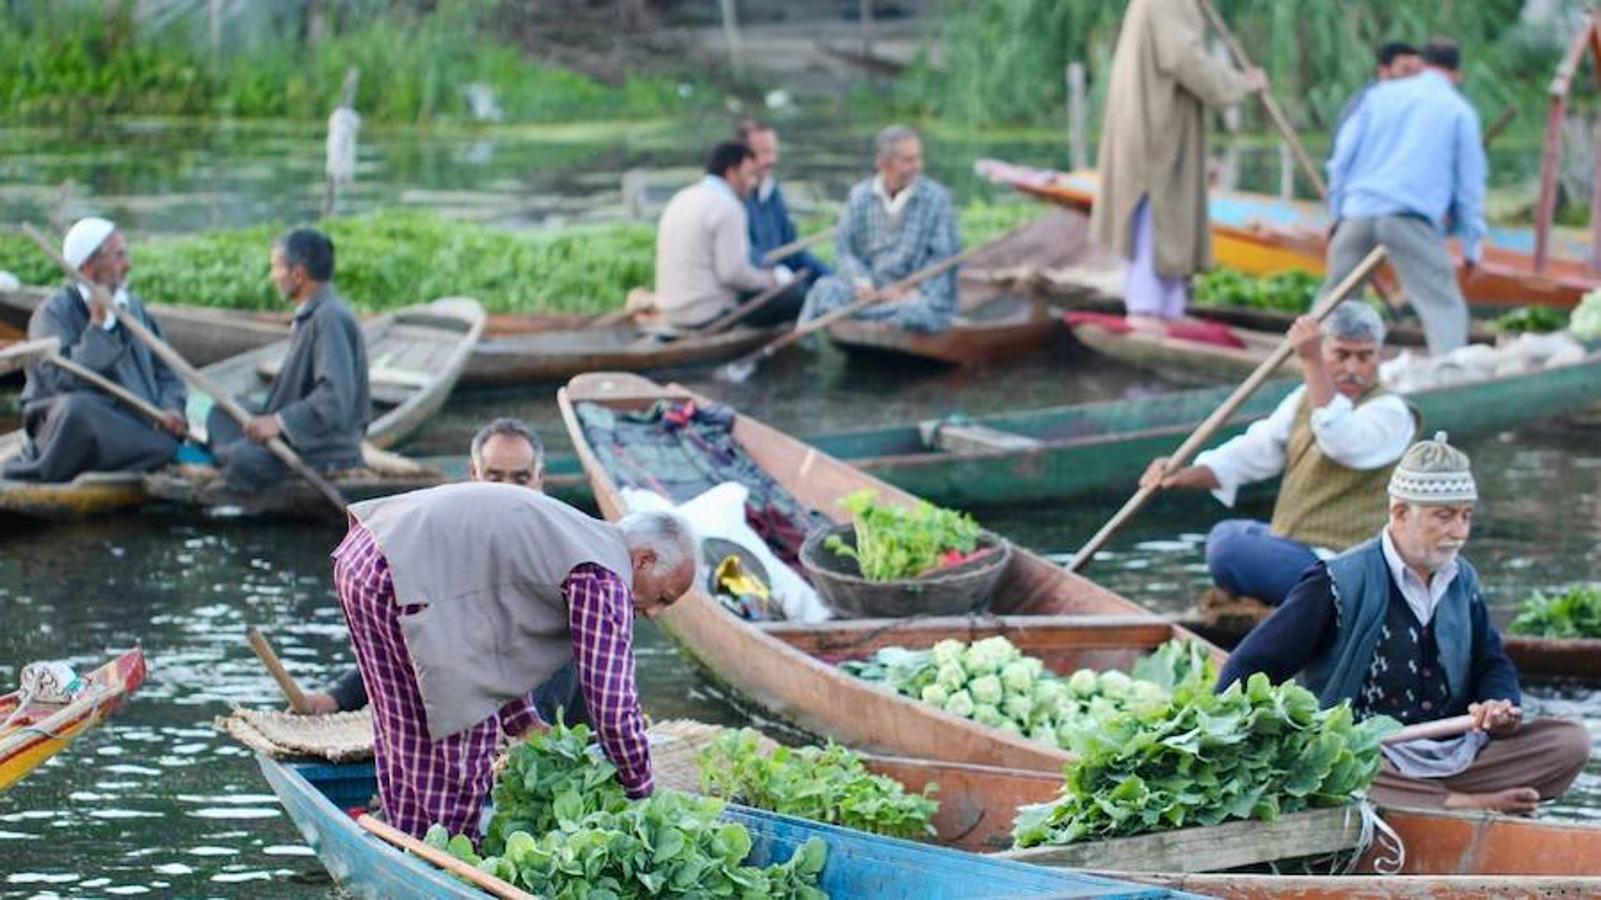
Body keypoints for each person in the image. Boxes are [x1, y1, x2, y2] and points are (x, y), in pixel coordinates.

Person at [1218, 434, 1591, 813]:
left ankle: (1435, 800)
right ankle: (1460, 803)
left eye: (1465, 516)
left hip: (1456, 751)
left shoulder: (1462, 580)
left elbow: (1490, 661)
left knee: (1570, 742)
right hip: (1373, 757)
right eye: (1444, 516)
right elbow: (1248, 666)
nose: (1460, 532)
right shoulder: (1336, 582)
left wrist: (1500, 705)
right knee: (1332, 759)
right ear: (1399, 514)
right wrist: (1238, 739)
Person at [333, 482, 696, 838]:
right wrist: (641, 790)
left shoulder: (578, 535)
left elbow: (501, 635)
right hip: (400, 575)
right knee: (461, 743)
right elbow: (613, 704)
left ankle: (407, 842)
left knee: (405, 732)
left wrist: (522, 720)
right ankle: (441, 859)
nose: (654, 612)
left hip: (366, 555)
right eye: (663, 596)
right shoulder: (606, 572)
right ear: (644, 559)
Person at [1140, 302, 1416, 606]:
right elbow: (1254, 451)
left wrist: (1311, 363)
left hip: (1345, 568)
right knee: (1231, 533)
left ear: (1379, 357)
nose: (1352, 369)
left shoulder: (1391, 412)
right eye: (1341, 355)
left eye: (1364, 357)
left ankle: (1313, 607)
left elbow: (1340, 440)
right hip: (1295, 552)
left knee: (1230, 545)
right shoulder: (1303, 398)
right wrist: (1184, 475)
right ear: (1325, 351)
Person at [301, 417, 556, 716]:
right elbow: (404, 638)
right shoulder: (450, 548)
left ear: (540, 479)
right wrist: (337, 697)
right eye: (495, 478)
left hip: (551, 716)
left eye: (521, 479)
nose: (508, 491)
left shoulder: (560, 550)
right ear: (474, 475)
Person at [1090, 0, 1267, 329]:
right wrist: (1240, 83)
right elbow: (1184, 59)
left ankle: (1170, 307)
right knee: (1156, 209)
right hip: (1156, 128)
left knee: (1174, 211)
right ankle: (1144, 308)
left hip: (1166, 123)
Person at [1325, 38, 1486, 355]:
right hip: (1409, 217)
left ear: (1423, 65)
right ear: (1457, 75)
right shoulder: (1459, 110)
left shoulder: (1377, 96)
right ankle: (1449, 374)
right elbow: (1470, 186)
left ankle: (1312, 363)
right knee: (1443, 304)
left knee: (1334, 302)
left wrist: (1336, 214)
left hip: (1357, 213)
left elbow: (1341, 161)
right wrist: (1472, 246)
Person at [5, 217, 188, 482]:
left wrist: (172, 409)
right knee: (78, 410)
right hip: (71, 426)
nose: (128, 265)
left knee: (167, 441)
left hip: (130, 423)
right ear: (89, 266)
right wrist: (98, 329)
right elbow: (65, 382)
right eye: (118, 256)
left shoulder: (132, 307)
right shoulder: (53, 313)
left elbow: (168, 371)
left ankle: (128, 455)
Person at [206, 228, 370, 492]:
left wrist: (279, 423)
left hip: (327, 445)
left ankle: (231, 458)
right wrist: (275, 420)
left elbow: (333, 400)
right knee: (222, 413)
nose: (273, 277)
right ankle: (232, 454)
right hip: (304, 433)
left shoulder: (329, 318)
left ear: (298, 274)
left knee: (243, 459)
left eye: (276, 268)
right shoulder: (315, 312)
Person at [799, 125, 961, 333]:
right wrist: (861, 281)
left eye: (918, 158)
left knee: (920, 311)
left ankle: (879, 318)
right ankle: (875, 317)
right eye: (908, 160)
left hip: (913, 295)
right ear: (884, 163)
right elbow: (845, 249)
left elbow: (944, 257)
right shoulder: (860, 196)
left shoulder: (936, 199)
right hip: (870, 292)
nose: (918, 166)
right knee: (825, 289)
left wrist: (914, 290)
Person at [653, 141, 799, 330]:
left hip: (671, 310)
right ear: (731, 173)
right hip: (705, 314)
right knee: (795, 296)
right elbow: (733, 274)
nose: (753, 184)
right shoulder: (728, 207)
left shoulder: (682, 197)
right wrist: (771, 280)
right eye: (749, 176)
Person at [736, 119, 831, 291]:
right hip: (751, 287)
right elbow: (740, 254)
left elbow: (793, 250)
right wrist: (776, 272)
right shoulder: (734, 199)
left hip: (781, 283)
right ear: (743, 157)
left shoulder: (773, 192)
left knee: (828, 286)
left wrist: (830, 276)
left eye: (773, 152)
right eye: (763, 153)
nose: (771, 160)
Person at [1331, 40, 1424, 137]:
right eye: (1406, 70)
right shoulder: (1364, 103)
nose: (1413, 79)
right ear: (1384, 71)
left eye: (1418, 73)